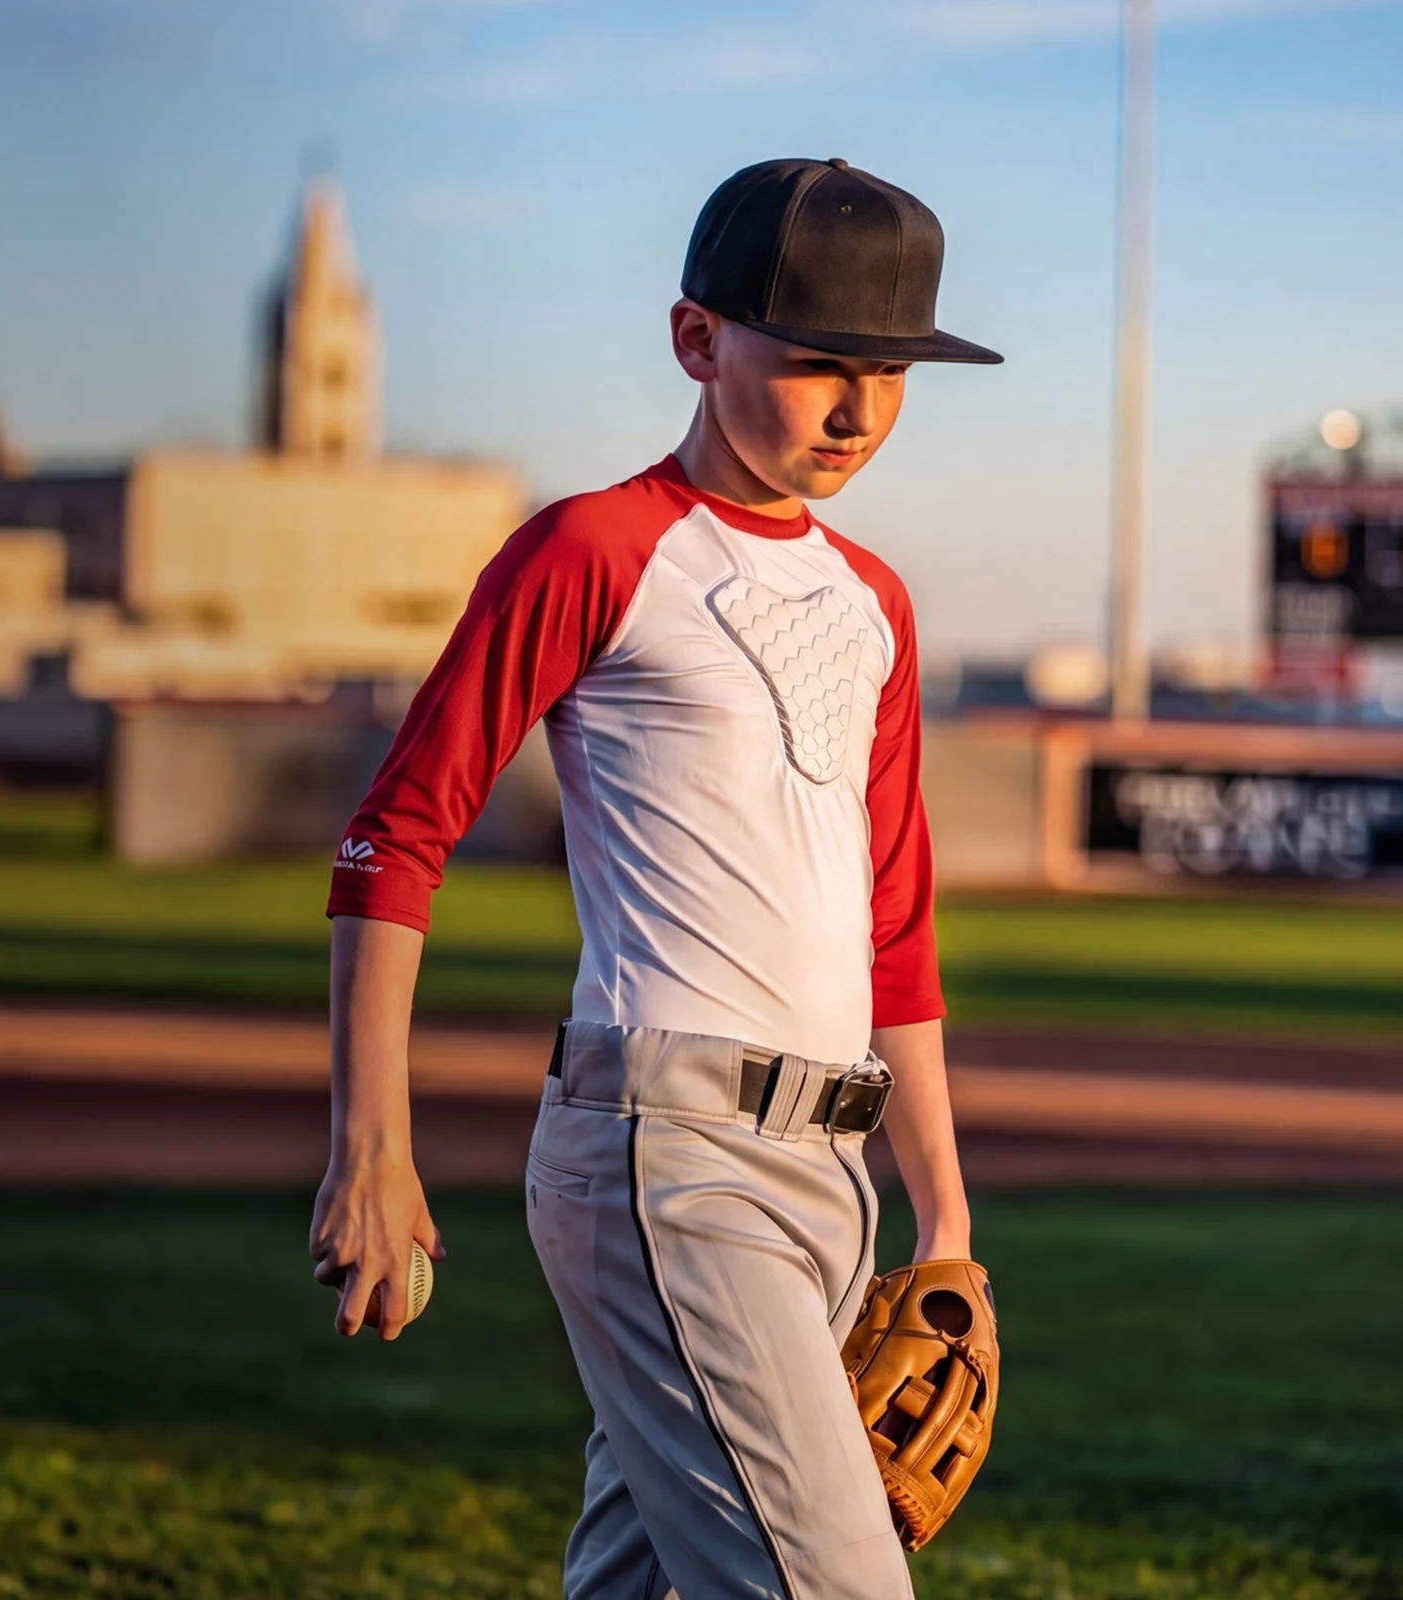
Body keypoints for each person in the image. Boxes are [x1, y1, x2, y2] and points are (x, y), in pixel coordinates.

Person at [312, 156, 1000, 1600]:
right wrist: (370, 1142)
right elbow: (398, 833)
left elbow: (897, 919)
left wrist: (945, 1222)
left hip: (833, 1179)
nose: (859, 407)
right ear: (699, 343)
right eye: (817, 361)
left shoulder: (875, 601)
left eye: (890, 370)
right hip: (668, 1161)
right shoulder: (598, 548)